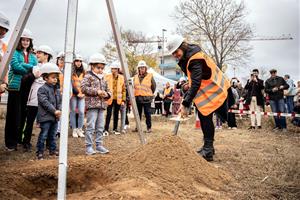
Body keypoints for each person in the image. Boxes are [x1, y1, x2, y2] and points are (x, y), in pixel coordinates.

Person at [166, 35, 231, 161]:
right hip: (208, 88)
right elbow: (194, 78)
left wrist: (185, 103)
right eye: (172, 53)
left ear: (182, 47)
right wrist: (187, 85)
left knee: (205, 117)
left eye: (176, 52)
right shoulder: (188, 55)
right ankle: (208, 147)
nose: (175, 55)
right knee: (204, 117)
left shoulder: (195, 58)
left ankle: (208, 150)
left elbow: (196, 82)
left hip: (214, 88)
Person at [5, 29, 37, 151]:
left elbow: (36, 67)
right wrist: (30, 69)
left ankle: (19, 139)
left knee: (24, 114)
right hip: (16, 87)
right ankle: (10, 143)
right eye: (23, 39)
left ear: (30, 41)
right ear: (20, 40)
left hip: (28, 87)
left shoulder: (33, 56)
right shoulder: (14, 52)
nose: (25, 42)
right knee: (13, 115)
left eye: (27, 40)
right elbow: (15, 66)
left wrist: (30, 68)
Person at [22, 45, 53, 152]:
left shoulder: (52, 68)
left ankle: (48, 143)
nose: (37, 55)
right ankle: (26, 142)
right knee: (30, 121)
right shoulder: (34, 67)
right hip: (33, 99)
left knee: (48, 121)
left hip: (46, 100)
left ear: (46, 55)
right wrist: (33, 76)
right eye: (37, 53)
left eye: (40, 53)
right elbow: (25, 81)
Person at [81, 53, 111, 155]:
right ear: (92, 66)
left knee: (100, 126)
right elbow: (83, 88)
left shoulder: (103, 78)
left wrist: (106, 94)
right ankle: (89, 146)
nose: (101, 70)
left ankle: (99, 145)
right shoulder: (88, 76)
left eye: (102, 68)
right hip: (92, 106)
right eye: (98, 68)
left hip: (102, 106)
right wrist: (96, 92)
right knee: (91, 126)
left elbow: (109, 91)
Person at [36, 63, 62, 160]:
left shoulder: (57, 90)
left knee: (53, 134)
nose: (55, 79)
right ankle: (40, 152)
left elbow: (59, 101)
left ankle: (52, 150)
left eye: (56, 77)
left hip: (55, 117)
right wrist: (54, 111)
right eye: (53, 77)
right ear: (46, 78)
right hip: (45, 116)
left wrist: (59, 110)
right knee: (44, 134)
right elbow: (44, 102)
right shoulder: (42, 89)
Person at [133, 60, 156, 133]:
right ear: (138, 68)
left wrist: (149, 93)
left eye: (143, 68)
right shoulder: (135, 77)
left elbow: (154, 86)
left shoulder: (150, 76)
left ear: (145, 68)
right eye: (140, 68)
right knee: (137, 114)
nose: (142, 69)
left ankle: (149, 128)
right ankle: (138, 127)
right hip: (138, 98)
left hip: (147, 99)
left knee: (147, 114)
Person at [104, 61, 126, 135]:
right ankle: (106, 129)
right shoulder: (107, 77)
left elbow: (123, 90)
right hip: (109, 99)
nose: (113, 70)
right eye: (112, 69)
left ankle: (115, 129)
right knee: (109, 114)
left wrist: (123, 100)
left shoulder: (122, 78)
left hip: (118, 99)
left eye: (115, 69)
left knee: (116, 114)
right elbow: (105, 88)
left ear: (118, 69)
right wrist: (105, 98)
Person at [70, 54, 85, 138]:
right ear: (74, 62)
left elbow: (86, 83)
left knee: (81, 112)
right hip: (74, 95)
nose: (78, 63)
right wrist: (76, 93)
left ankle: (80, 129)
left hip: (82, 95)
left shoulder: (84, 72)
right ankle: (74, 129)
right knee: (72, 111)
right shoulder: (71, 72)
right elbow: (71, 84)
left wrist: (83, 93)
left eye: (80, 61)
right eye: (77, 61)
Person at [0, 12, 10, 94]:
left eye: (5, 29)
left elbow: (6, 67)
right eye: (1, 28)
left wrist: (5, 83)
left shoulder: (4, 46)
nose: (3, 31)